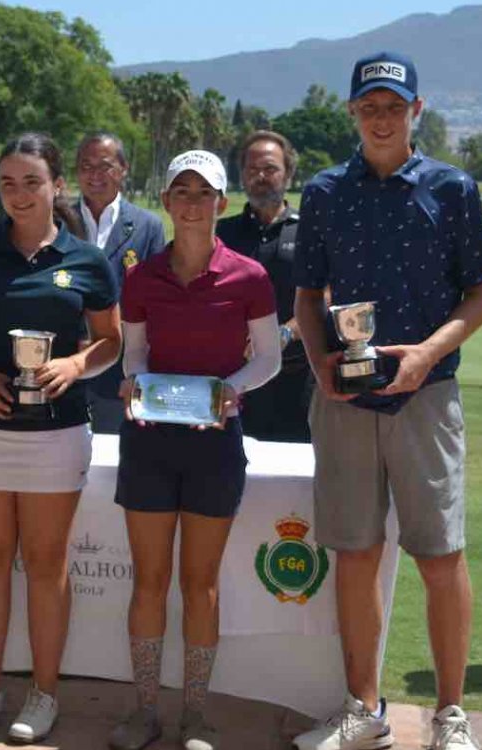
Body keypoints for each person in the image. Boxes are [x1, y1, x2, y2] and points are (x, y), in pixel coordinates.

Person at [292, 52, 482, 750]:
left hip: (426, 396)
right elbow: (306, 292)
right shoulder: (323, 191)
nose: (381, 118)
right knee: (354, 553)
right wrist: (319, 357)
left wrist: (428, 354)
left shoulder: (453, 187)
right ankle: (364, 711)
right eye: (368, 106)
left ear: (416, 110)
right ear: (353, 112)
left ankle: (449, 714)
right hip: (346, 399)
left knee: (441, 557)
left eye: (393, 106)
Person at [0, 132, 122, 745]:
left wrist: (75, 365)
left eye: (31, 182)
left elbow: (111, 341)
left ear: (57, 186)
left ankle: (44, 693)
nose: (18, 194)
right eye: (8, 182)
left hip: (56, 432)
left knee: (46, 566)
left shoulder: (87, 261)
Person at [109, 150, 280, 750]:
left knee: (200, 583)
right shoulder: (140, 277)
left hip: (216, 444)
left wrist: (229, 392)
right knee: (149, 580)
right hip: (150, 442)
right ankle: (145, 710)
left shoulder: (249, 277)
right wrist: (132, 382)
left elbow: (268, 358)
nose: (190, 202)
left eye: (202, 192)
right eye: (180, 190)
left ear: (220, 204)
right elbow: (133, 351)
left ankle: (196, 716)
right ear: (167, 201)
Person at [216, 130, 312, 442]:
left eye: (270, 169)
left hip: (296, 382)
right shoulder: (222, 234)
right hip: (232, 382)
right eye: (252, 169)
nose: (261, 176)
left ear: (289, 174)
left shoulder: (311, 231)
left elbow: (326, 294)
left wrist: (283, 334)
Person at [73, 132, 166, 433]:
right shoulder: (58, 220)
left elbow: (156, 299)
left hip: (121, 370)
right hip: (65, 365)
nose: (95, 175)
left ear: (123, 168)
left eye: (105, 166)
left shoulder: (147, 226)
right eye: (86, 166)